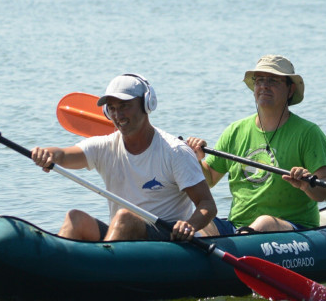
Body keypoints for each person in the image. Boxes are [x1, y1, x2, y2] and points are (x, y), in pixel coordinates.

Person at [31, 73, 216, 241]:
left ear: (146, 104)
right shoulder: (104, 147)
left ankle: (103, 268)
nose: (118, 115)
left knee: (124, 218)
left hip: (166, 241)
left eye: (125, 106)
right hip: (122, 238)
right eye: (111, 108)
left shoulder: (175, 151)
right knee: (75, 218)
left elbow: (207, 204)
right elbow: (63, 155)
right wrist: (47, 154)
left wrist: (189, 225)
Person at [186, 54, 326, 235]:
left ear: (290, 90)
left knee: (264, 223)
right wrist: (195, 159)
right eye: (260, 80)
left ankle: (241, 244)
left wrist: (307, 185)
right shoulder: (235, 131)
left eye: (273, 80)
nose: (264, 86)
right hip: (237, 225)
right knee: (196, 221)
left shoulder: (309, 133)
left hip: (294, 228)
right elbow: (209, 179)